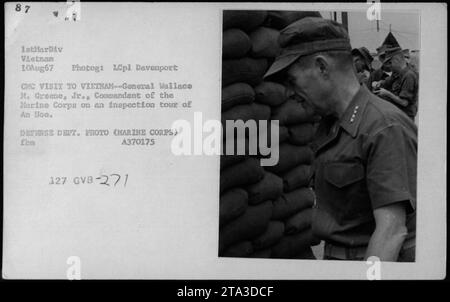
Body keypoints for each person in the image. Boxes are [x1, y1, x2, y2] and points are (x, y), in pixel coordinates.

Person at [264, 17, 416, 262]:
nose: (290, 93)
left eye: (293, 81)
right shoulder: (329, 126)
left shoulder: (382, 127)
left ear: (322, 67)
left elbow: (391, 231)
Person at [374, 47, 419, 120]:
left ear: (397, 60)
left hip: (405, 118)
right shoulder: (398, 72)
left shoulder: (409, 76)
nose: (389, 67)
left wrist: (387, 93)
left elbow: (404, 102)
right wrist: (379, 83)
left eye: (390, 63)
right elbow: (388, 81)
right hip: (398, 114)